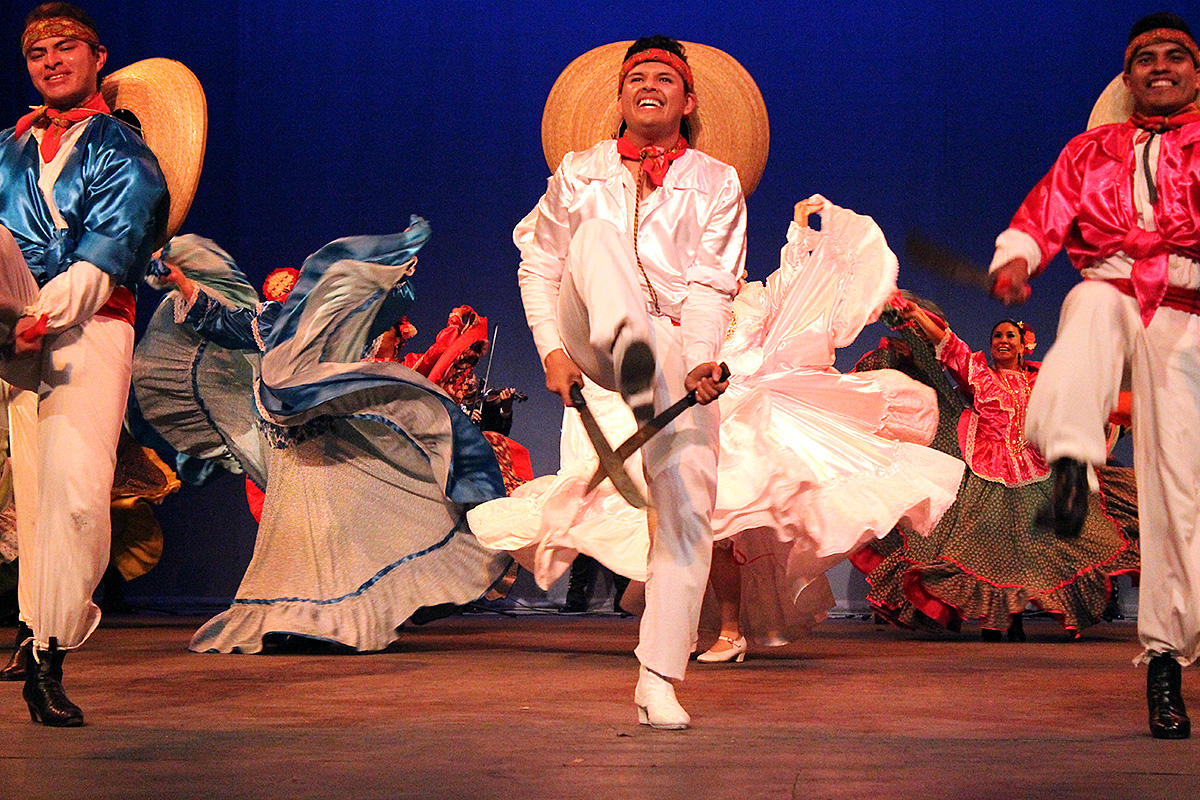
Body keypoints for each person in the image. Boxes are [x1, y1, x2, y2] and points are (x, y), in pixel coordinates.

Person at [139, 228, 512, 654]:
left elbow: (394, 300)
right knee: (293, 531)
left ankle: (329, 619)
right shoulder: (270, 322)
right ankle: (286, 616)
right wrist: (184, 282)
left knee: (335, 529)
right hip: (288, 449)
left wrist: (393, 270)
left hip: (328, 446)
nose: (297, 296)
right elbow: (220, 321)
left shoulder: (346, 327)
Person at [516, 36, 741, 729]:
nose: (649, 87)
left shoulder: (715, 181)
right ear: (620, 97)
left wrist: (702, 357)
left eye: (664, 79)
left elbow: (709, 285)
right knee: (597, 238)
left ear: (687, 98)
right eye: (636, 78)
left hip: (675, 346)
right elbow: (539, 265)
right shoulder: (578, 173)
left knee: (687, 507)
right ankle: (633, 360)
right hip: (594, 331)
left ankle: (657, 678)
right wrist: (551, 349)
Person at [989, 12, 1200, 739]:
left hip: (1188, 313)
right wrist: (1017, 259)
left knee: (1180, 493)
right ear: (1128, 74)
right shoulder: (1092, 151)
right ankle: (1074, 462)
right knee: (1087, 303)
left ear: (1196, 73)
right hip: (1112, 285)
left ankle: (1167, 660)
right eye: (1146, 58)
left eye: (1176, 56)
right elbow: (1043, 214)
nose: (1161, 67)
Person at [0, 3, 167, 727]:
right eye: (37, 51)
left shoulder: (119, 147)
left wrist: (45, 318)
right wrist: (10, 327)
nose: (50, 59)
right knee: (33, 498)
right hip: (13, 328)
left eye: (65, 47)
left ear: (98, 56)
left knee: (73, 496)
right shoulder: (8, 147)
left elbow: (113, 245)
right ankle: (35, 646)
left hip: (86, 323)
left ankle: (51, 646)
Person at [851, 305, 1138, 641]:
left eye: (1009, 336)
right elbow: (948, 342)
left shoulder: (1042, 381)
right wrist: (915, 313)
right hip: (985, 472)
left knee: (1036, 548)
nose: (1002, 341)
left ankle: (1013, 620)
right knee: (985, 551)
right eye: (997, 336)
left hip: (1035, 472)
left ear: (1023, 344)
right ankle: (993, 621)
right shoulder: (981, 376)